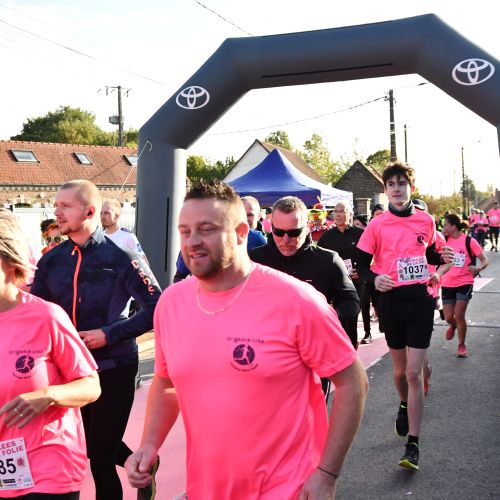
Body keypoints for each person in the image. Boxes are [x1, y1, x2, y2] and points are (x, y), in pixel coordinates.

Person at [126, 181, 368, 499]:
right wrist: (148, 445)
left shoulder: (297, 300)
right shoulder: (171, 303)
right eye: (185, 231)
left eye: (207, 229)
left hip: (287, 488)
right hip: (207, 489)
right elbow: (166, 381)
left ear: (241, 232)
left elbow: (353, 381)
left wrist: (327, 473)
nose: (193, 241)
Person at [31, 180, 162, 500]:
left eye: (65, 206)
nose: (57, 212)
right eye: (56, 205)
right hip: (69, 370)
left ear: (89, 212)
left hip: (114, 366)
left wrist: (109, 334)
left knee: (100, 460)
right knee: (91, 447)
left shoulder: (121, 256)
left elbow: (157, 306)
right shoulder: (51, 260)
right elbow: (38, 313)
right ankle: (142, 462)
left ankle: (138, 465)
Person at [357, 163, 453, 471]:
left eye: (402, 183)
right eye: (391, 184)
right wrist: (375, 279)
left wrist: (442, 261)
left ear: (411, 187)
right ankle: (403, 404)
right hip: (391, 302)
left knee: (414, 373)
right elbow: (361, 263)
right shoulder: (377, 225)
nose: (397, 189)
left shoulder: (425, 219)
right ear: (385, 190)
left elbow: (433, 253)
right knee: (399, 373)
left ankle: (413, 444)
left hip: (420, 301)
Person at [0, 208, 101, 499]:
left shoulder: (46, 316)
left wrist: (49, 395)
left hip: (49, 463)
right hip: (7, 470)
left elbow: (91, 385)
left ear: (10, 262)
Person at [174, 195, 266, 283]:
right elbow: (179, 275)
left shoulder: (257, 239)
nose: (245, 218)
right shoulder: (194, 241)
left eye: (249, 215)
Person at [318, 201, 370, 345]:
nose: (338, 214)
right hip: (336, 283)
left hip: (356, 281)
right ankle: (344, 346)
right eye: (336, 211)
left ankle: (352, 347)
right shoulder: (327, 236)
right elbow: (319, 257)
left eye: (342, 211)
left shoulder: (361, 234)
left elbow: (371, 255)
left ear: (350, 214)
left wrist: (361, 270)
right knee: (339, 317)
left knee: (352, 315)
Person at [441, 213, 489, 358]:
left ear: (454, 226)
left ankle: (461, 345)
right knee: (449, 317)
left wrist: (478, 268)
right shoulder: (443, 240)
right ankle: (453, 325)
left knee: (459, 314)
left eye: (446, 225)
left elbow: (485, 260)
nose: (443, 227)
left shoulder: (469, 241)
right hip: (447, 282)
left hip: (464, 281)